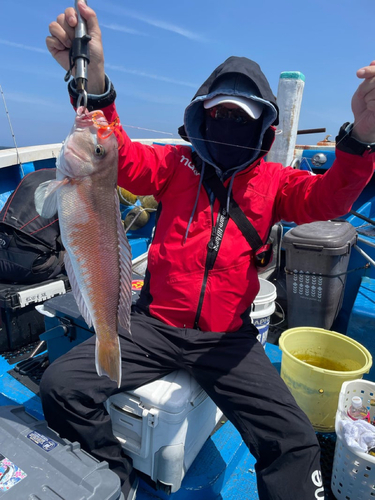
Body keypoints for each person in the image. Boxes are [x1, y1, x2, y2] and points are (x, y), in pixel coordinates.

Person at [41, 2, 375, 500]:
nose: (226, 126)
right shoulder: (175, 165)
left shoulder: (277, 183)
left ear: (265, 130)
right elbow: (117, 156)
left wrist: (364, 137)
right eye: (217, 113)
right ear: (198, 115)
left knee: (295, 441)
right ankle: (118, 478)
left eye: (242, 120)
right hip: (153, 326)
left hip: (228, 342)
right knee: (60, 386)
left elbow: (328, 198)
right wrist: (94, 83)